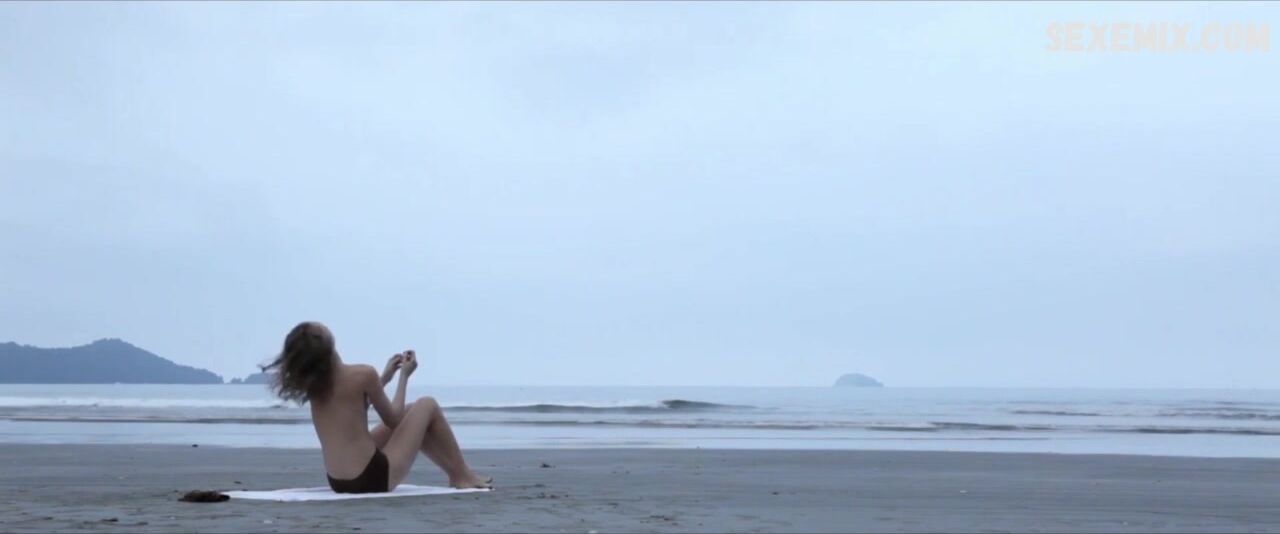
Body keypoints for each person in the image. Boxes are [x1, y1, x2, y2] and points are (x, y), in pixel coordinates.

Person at [264, 321, 492, 493]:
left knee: (412, 411)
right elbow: (394, 420)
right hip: (372, 477)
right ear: (328, 344)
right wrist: (404, 376)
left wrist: (384, 379)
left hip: (338, 482)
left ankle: (456, 473)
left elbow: (354, 413)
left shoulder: (315, 386)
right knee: (426, 405)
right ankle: (462, 475)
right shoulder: (362, 373)